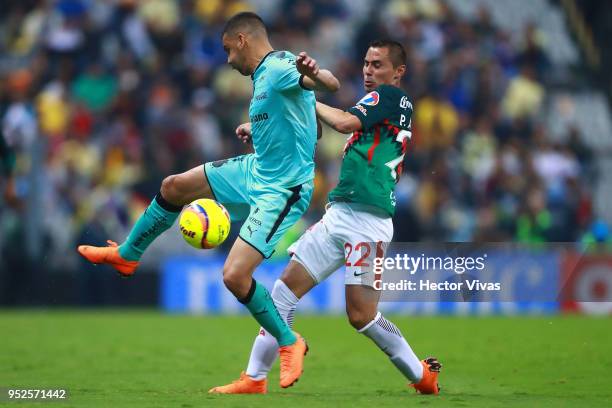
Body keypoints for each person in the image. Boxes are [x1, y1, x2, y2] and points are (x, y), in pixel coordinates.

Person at [77, 12, 340, 389]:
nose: (228, 61)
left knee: (234, 275)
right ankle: (129, 254)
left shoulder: (282, 65)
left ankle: (289, 342)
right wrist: (259, 129)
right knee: (172, 187)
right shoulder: (263, 77)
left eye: (228, 51)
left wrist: (316, 72)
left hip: (283, 188)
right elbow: (308, 126)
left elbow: (329, 84)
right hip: (255, 170)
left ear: (242, 41)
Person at [209, 40, 441, 395]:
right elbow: (313, 128)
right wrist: (262, 129)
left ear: (398, 72)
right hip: (339, 215)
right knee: (283, 293)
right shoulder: (380, 108)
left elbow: (344, 123)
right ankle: (254, 378)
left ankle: (421, 375)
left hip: (368, 223)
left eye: (378, 65)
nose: (368, 71)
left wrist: (307, 98)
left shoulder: (390, 98)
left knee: (361, 316)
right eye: (366, 63)